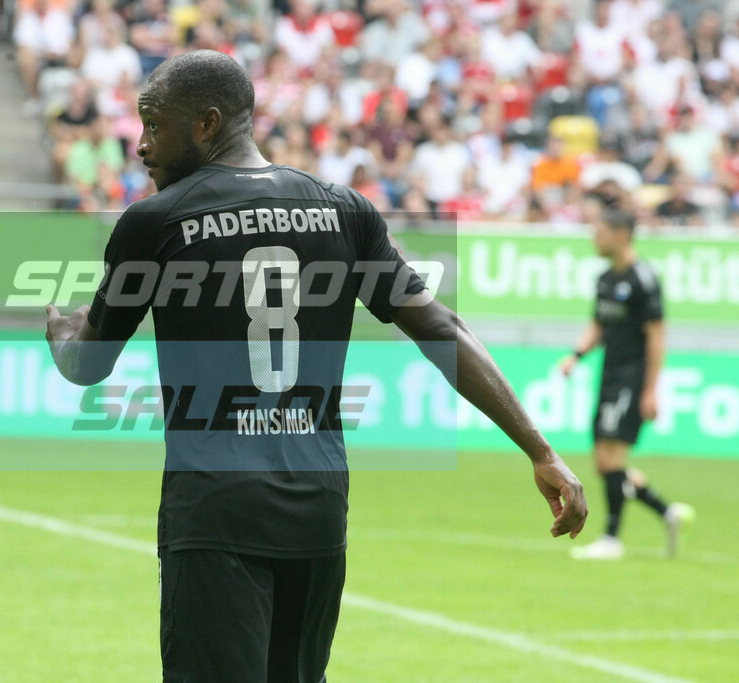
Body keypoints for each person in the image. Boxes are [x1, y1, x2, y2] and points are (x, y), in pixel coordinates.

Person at [45, 50, 586, 681]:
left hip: (215, 511)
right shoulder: (344, 209)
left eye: (154, 125)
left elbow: (87, 364)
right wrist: (540, 450)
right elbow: (443, 329)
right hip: (318, 511)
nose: (141, 145)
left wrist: (62, 333)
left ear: (207, 123)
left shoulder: (154, 221)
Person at [560, 209, 693, 561]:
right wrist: (576, 355)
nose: (594, 238)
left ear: (621, 235)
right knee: (606, 464)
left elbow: (657, 336)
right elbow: (598, 324)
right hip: (609, 374)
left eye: (600, 232)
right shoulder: (605, 279)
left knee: (611, 458)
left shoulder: (643, 279)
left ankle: (611, 538)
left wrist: (650, 389)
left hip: (632, 378)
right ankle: (667, 512)